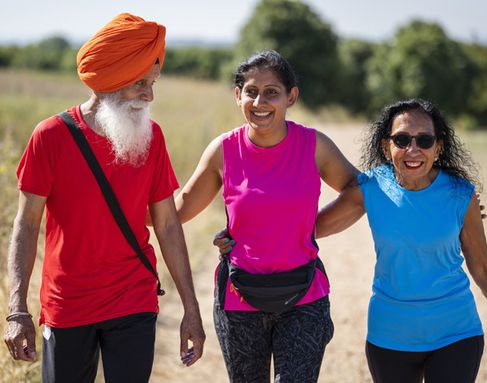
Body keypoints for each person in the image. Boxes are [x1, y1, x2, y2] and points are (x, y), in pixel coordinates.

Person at [3, 13, 205, 383]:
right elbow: (26, 224)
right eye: (139, 83)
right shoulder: (49, 136)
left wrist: (192, 309)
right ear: (107, 82)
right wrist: (17, 310)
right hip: (67, 303)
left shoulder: (152, 136)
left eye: (153, 83)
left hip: (133, 297)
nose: (149, 95)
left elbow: (167, 223)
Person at [175, 50, 359, 382]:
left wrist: (313, 227)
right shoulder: (223, 150)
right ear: (238, 96)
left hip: (304, 297)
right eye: (251, 91)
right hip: (239, 298)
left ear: (291, 96)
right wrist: (117, 206)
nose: (260, 101)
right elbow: (178, 209)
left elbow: (360, 191)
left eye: (272, 92)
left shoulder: (313, 146)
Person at [312, 99, 487, 382]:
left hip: (455, 332)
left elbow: (481, 264)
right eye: (402, 139)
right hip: (389, 335)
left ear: (439, 146)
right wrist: (242, 231)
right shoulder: (371, 187)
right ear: (386, 145)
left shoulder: (460, 194)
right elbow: (311, 228)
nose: (413, 149)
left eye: (425, 140)